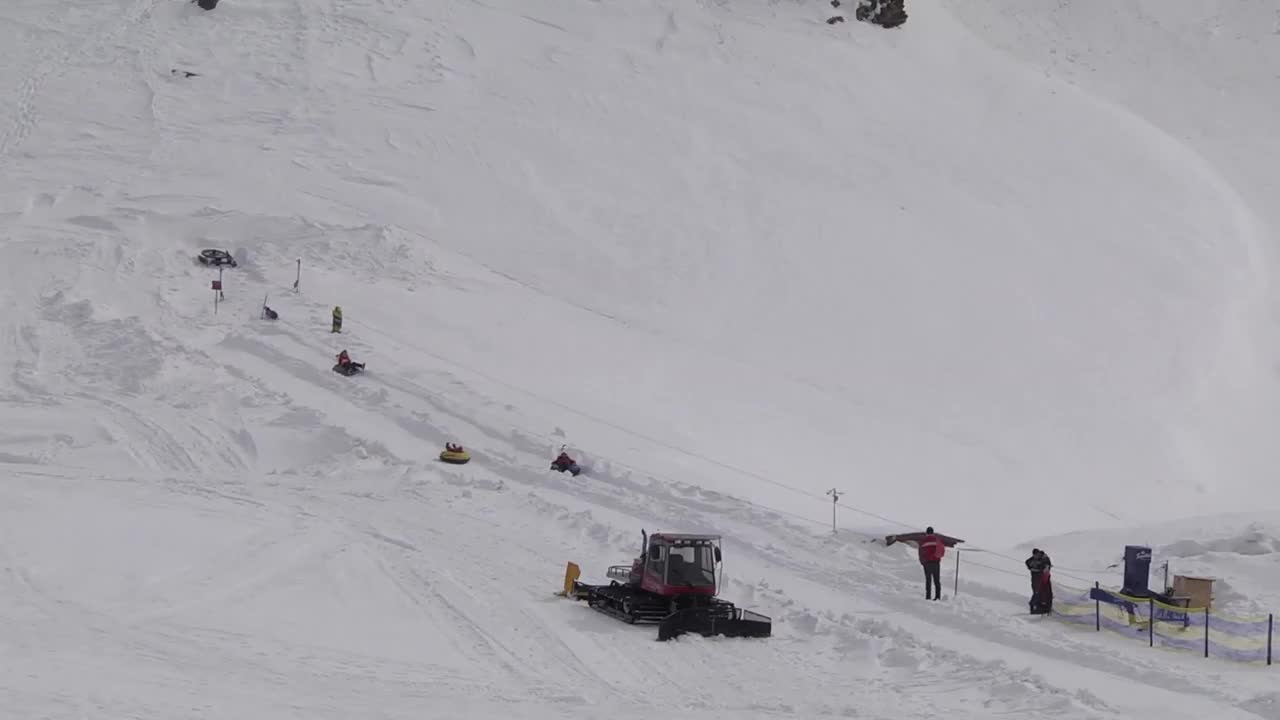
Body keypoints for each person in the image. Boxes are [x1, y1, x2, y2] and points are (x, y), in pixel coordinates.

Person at [918, 526, 945, 600]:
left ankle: (928, 596)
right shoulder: (937, 540)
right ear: (933, 533)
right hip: (936, 562)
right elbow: (942, 550)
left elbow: (920, 553)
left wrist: (922, 562)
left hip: (927, 563)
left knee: (928, 580)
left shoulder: (923, 541)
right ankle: (938, 597)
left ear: (926, 533)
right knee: (937, 580)